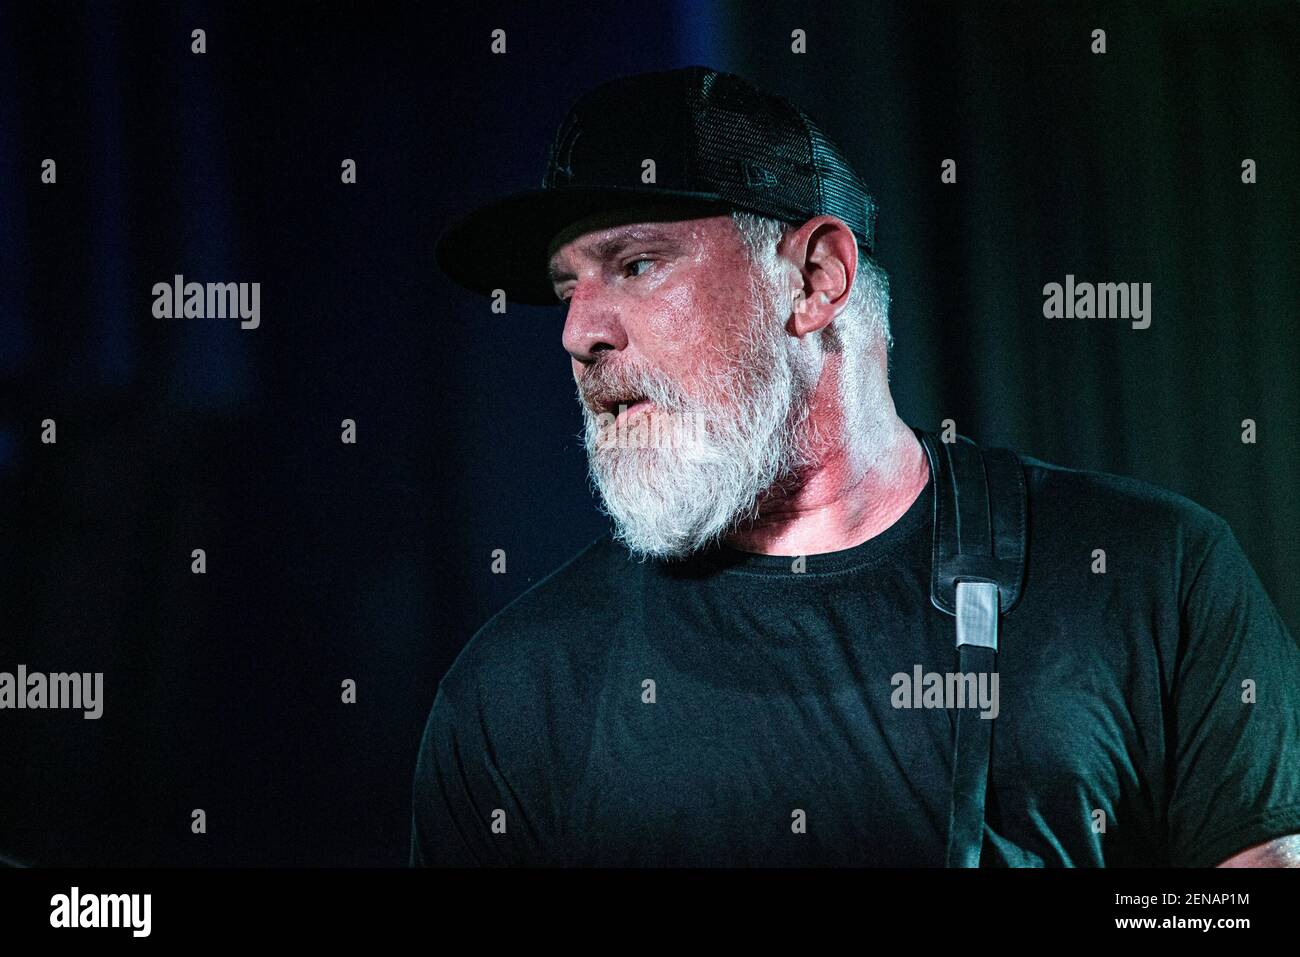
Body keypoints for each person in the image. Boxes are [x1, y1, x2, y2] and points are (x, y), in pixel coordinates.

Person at [412, 65, 1300, 867]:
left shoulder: (1156, 574)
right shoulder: (513, 694)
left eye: (635, 263)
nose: (578, 333)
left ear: (816, 279)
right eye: (569, 291)